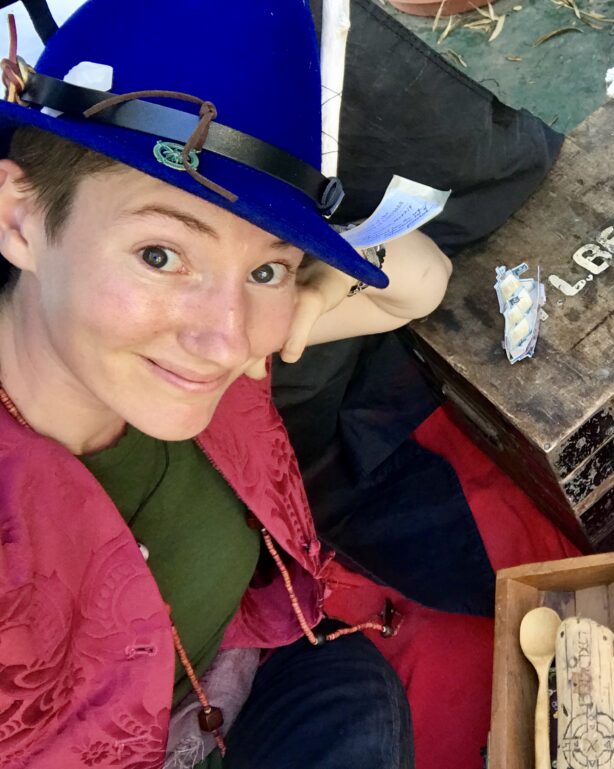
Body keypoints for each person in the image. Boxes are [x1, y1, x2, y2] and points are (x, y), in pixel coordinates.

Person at [0, 1, 452, 767]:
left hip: (248, 675)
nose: (228, 334)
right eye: (160, 254)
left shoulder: (218, 350)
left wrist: (307, 289)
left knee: (355, 694)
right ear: (19, 220)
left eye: (265, 266)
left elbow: (421, 280)